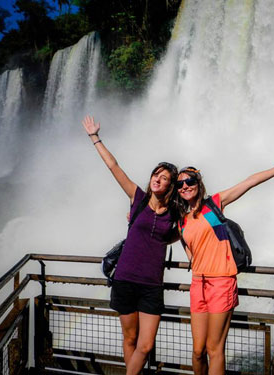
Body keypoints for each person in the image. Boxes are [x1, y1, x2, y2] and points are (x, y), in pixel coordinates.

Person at [176, 152, 274, 375]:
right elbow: (191, 253)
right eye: (180, 183)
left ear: (198, 183)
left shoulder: (214, 204)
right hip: (198, 285)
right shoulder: (181, 221)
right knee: (197, 351)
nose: (185, 186)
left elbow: (248, 182)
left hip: (222, 282)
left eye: (189, 181)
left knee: (214, 348)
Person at [82, 115, 179, 375]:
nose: (158, 179)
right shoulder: (137, 198)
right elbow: (114, 166)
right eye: (156, 174)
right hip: (125, 279)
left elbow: (179, 232)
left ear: (171, 185)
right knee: (130, 340)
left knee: (145, 345)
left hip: (151, 286)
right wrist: (95, 137)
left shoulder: (174, 212)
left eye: (165, 177)